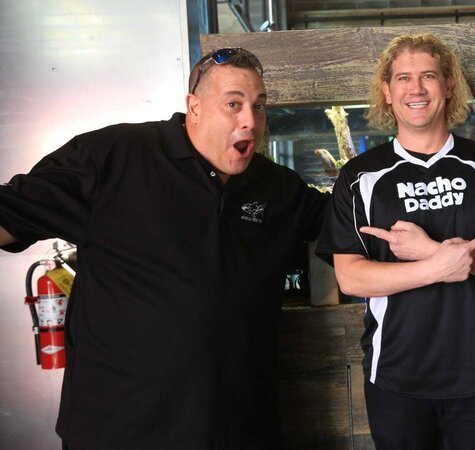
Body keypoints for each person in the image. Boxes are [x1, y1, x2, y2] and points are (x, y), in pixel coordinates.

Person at [0, 47, 328, 449]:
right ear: (194, 107)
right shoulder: (113, 157)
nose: (251, 121)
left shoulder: (276, 188)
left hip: (238, 430)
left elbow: (349, 220)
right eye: (233, 104)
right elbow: (11, 213)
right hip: (120, 431)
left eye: (259, 106)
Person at [315, 33, 475, 449]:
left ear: (448, 85)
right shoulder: (361, 177)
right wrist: (436, 266)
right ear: (387, 91)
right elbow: (351, 278)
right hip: (395, 376)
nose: (416, 89)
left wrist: (431, 252)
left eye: (428, 76)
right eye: (403, 78)